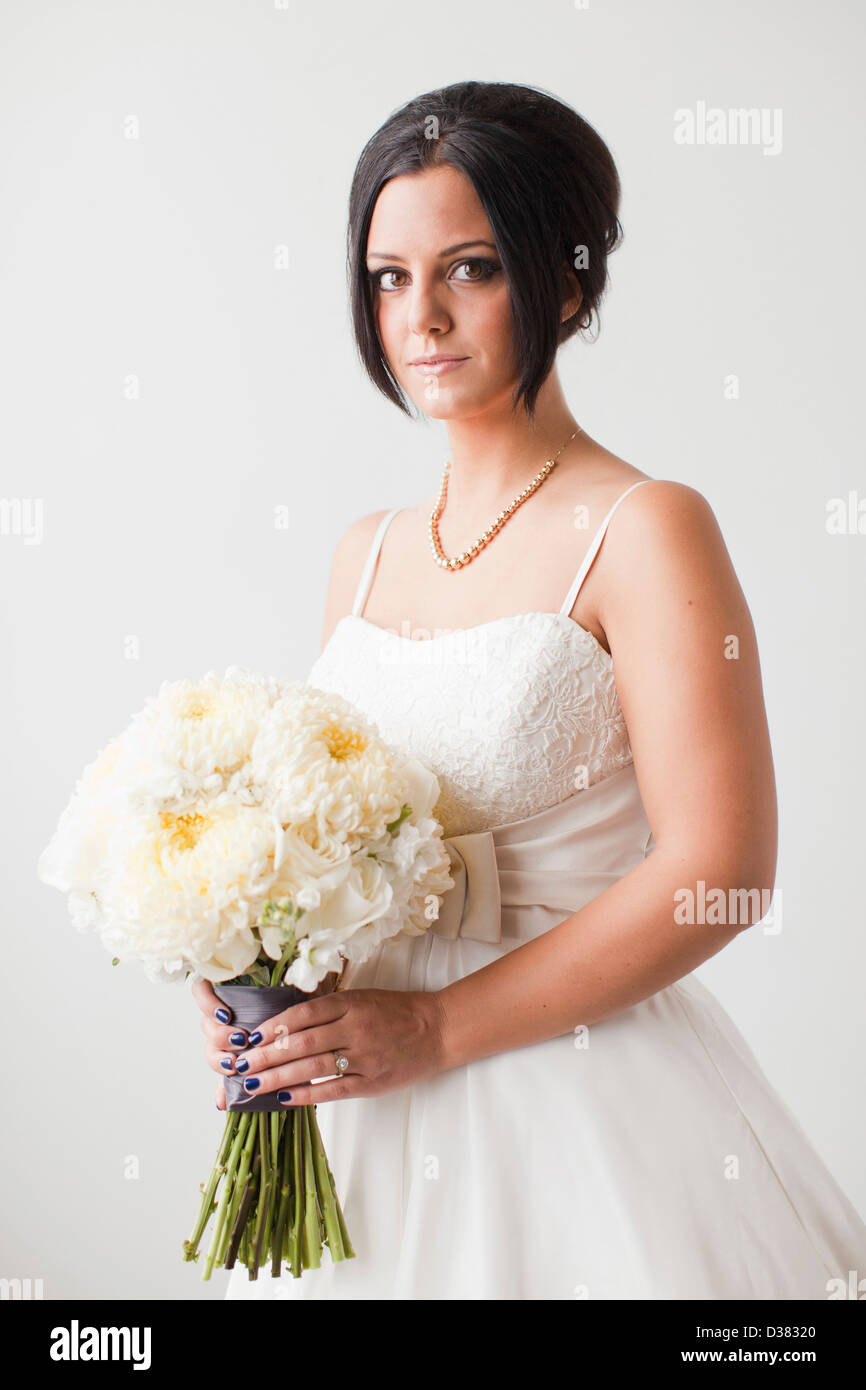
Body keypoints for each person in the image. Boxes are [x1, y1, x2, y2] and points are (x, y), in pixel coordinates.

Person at [196, 80, 866, 1299]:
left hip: (568, 1088)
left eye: (471, 268)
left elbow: (719, 872)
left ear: (563, 282)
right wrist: (262, 980)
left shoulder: (646, 526)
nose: (422, 318)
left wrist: (440, 1031)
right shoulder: (366, 547)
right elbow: (333, 842)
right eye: (388, 277)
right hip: (356, 1097)